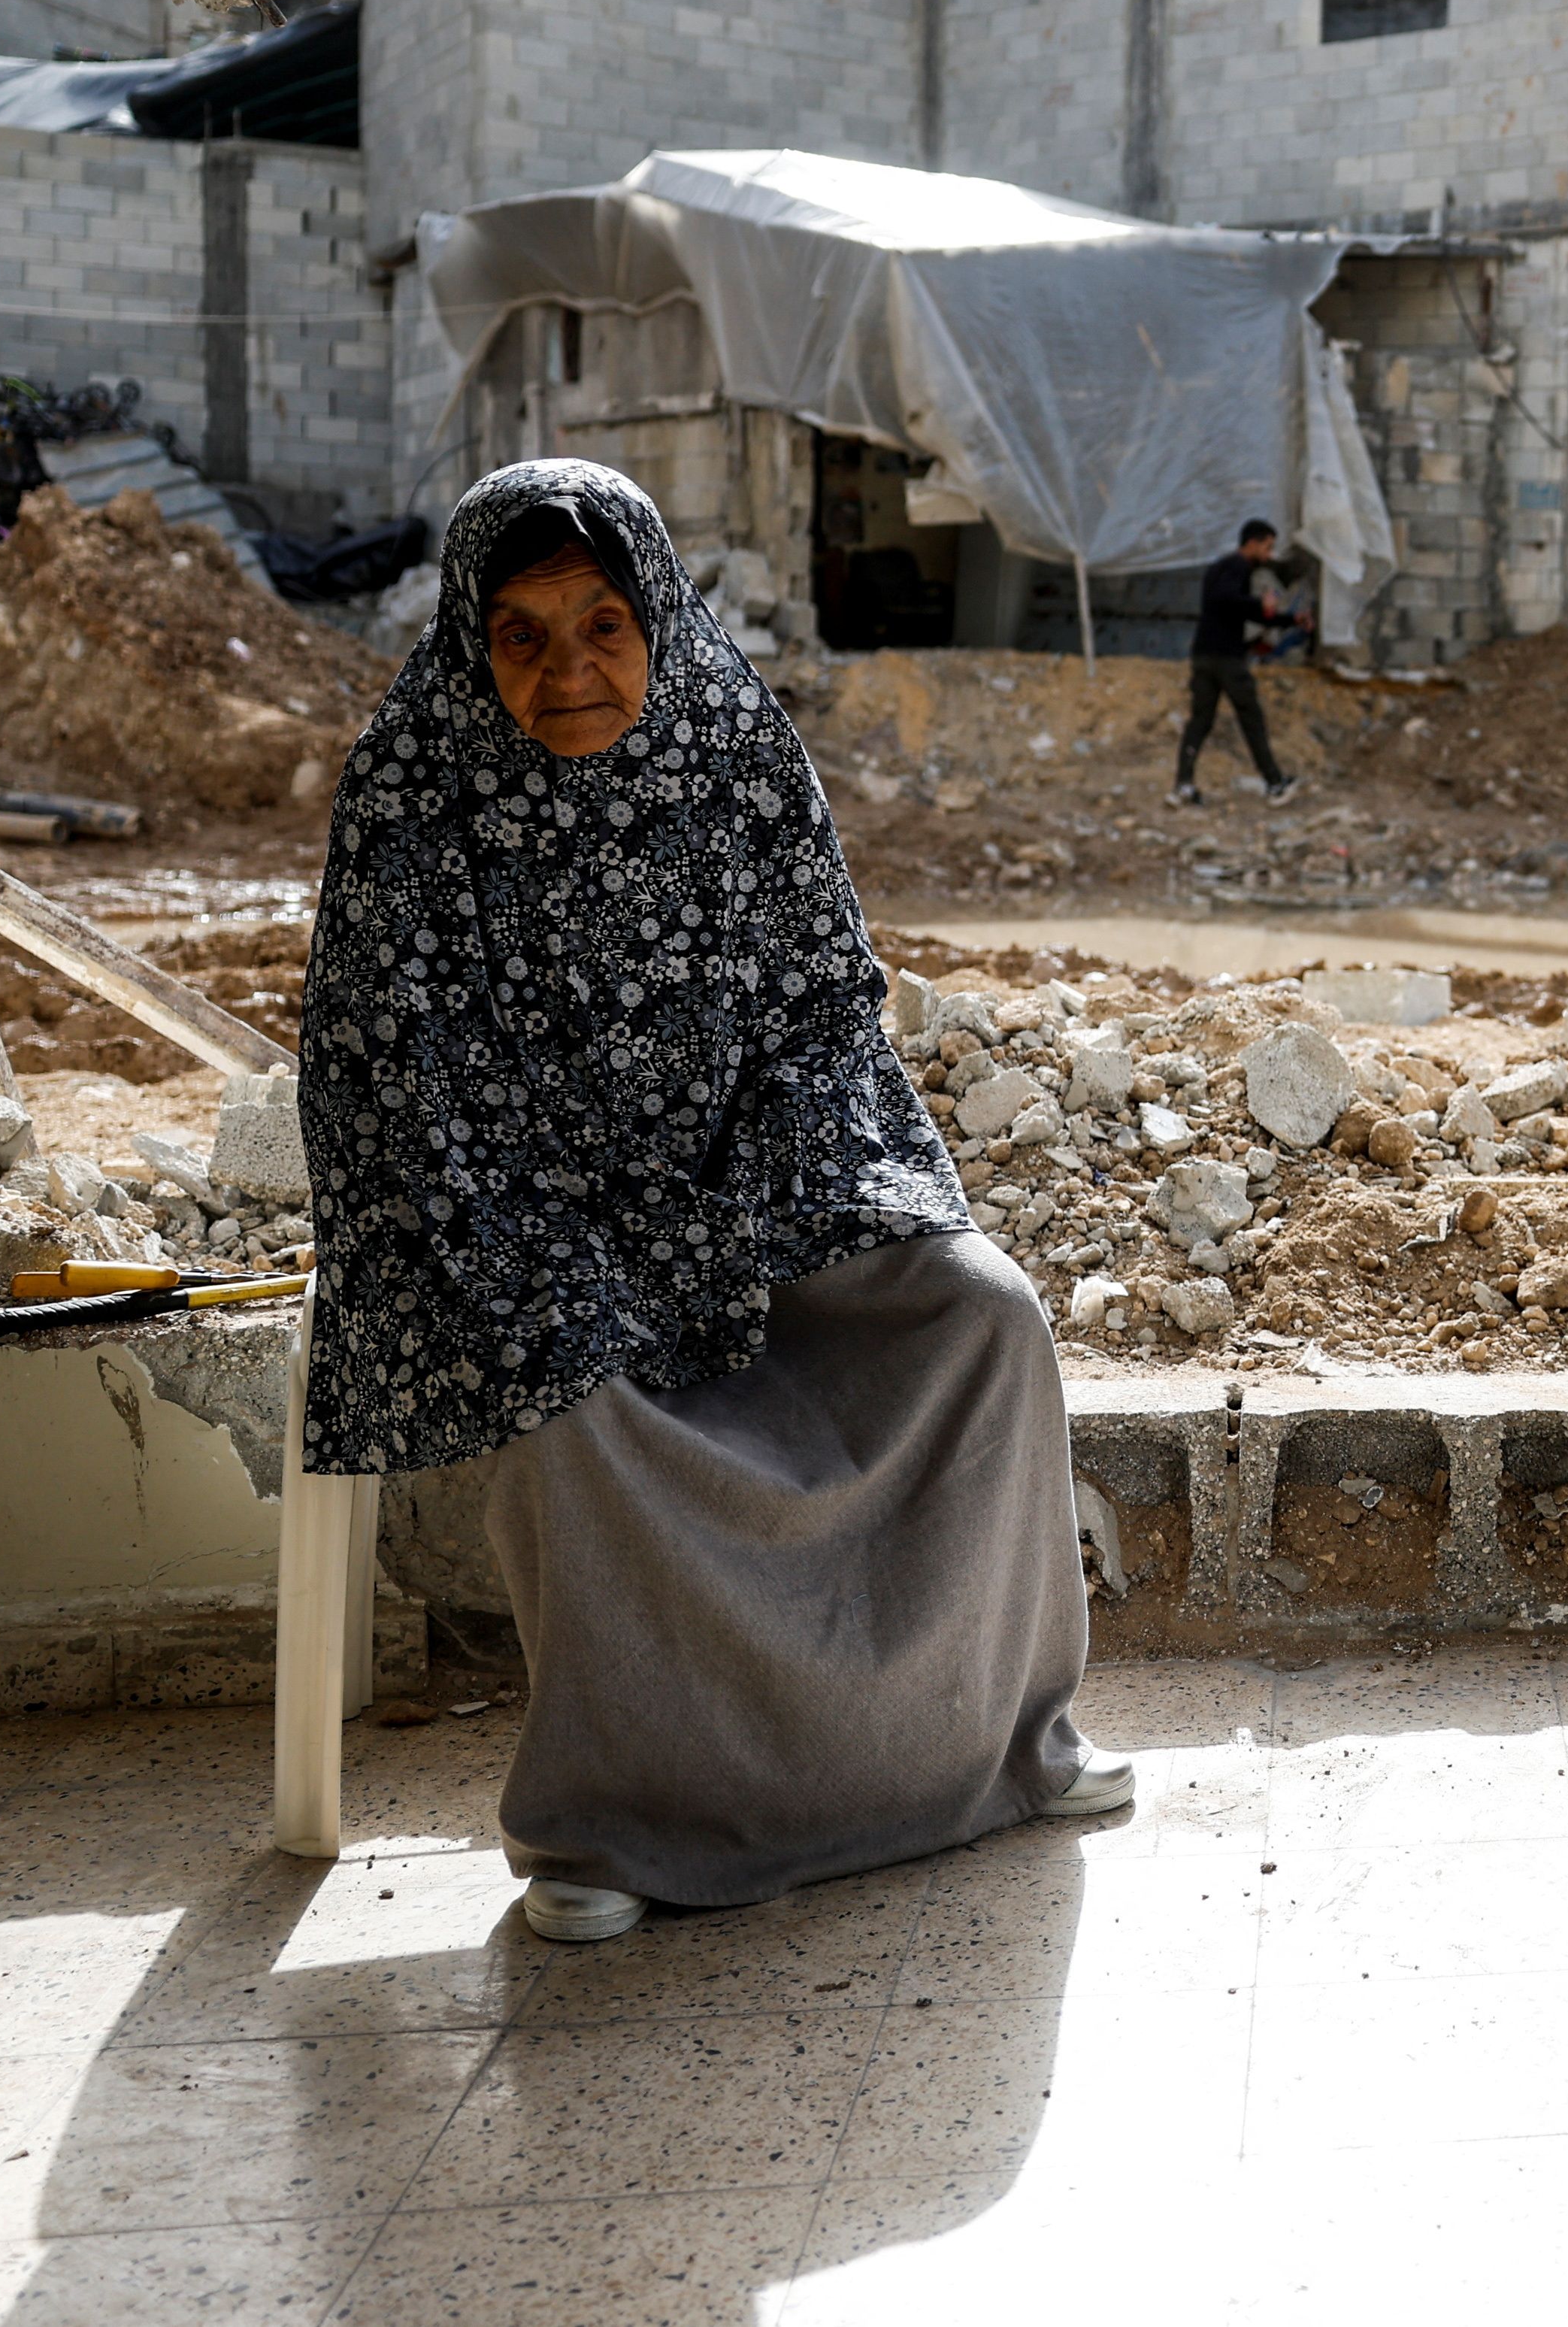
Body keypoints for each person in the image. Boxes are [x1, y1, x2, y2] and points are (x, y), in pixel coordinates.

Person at [301, 461, 1122, 1947]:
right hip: (523, 1225)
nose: (571, 670)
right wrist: (557, 1241)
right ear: (468, 642)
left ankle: (1002, 1742)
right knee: (559, 1390)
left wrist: (775, 1191)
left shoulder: (735, 739)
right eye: (525, 634)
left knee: (984, 1317)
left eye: (606, 622)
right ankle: (619, 1826)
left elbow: (825, 1002)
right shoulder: (409, 785)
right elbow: (393, 1081)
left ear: (658, 615)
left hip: (760, 1195)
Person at [1176, 517, 1303, 804]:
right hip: (1227, 659)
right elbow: (1228, 600)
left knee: (1200, 721)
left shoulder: (1219, 569)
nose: (1269, 556)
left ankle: (1182, 786)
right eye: (1267, 547)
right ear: (1253, 543)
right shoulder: (1237, 567)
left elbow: (1239, 609)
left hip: (1204, 656)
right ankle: (1274, 784)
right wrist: (1260, 604)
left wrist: (1290, 619)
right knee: (1251, 718)